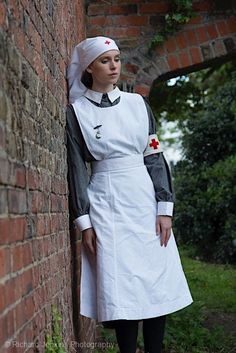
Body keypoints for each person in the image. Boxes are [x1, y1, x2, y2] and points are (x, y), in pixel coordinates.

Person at [66, 36, 193, 353]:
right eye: (106, 61)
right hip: (106, 202)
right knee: (120, 283)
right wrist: (85, 223)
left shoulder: (138, 105)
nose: (113, 66)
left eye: (117, 59)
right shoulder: (78, 112)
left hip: (144, 199)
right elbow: (77, 169)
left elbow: (154, 155)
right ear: (90, 67)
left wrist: (164, 208)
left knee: (154, 279)